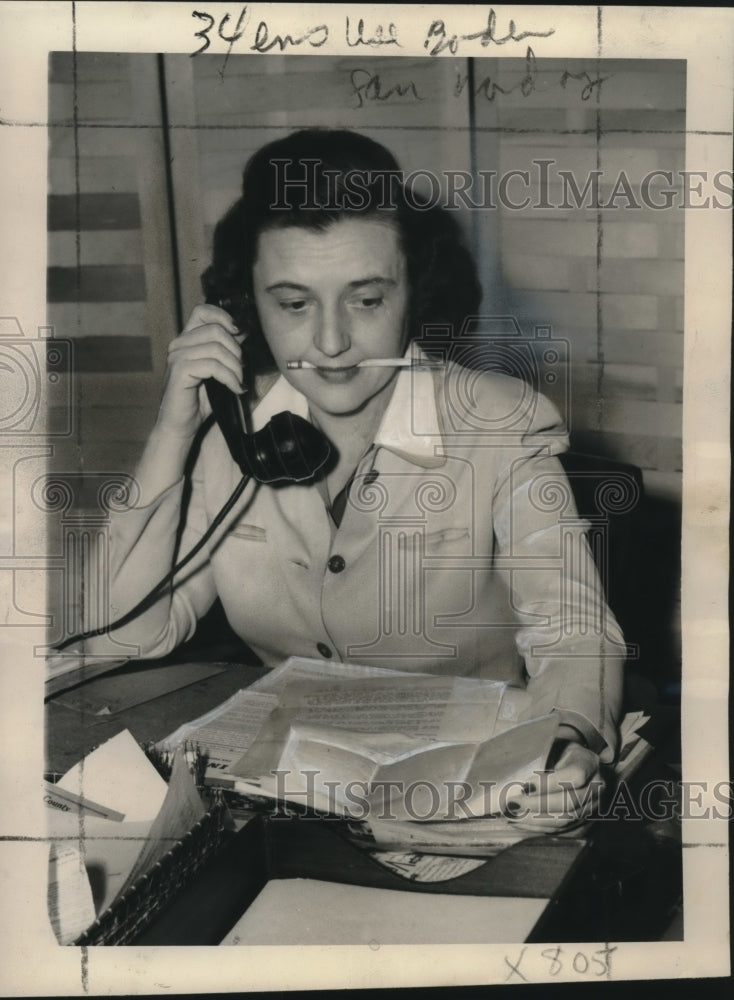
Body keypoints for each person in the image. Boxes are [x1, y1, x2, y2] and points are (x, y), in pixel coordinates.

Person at [100, 128, 625, 828]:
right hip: (281, 799)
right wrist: (173, 429)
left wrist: (567, 741)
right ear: (241, 307)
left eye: (367, 300)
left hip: (472, 795)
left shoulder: (502, 425)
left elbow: (571, 630)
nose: (329, 342)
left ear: (415, 294)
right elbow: (122, 638)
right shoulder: (235, 439)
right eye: (292, 304)